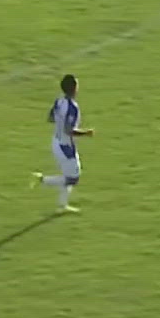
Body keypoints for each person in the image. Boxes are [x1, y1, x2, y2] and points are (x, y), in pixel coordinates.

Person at [32, 73, 93, 214]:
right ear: (74, 88)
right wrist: (86, 133)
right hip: (65, 147)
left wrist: (60, 119)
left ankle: (62, 205)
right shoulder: (72, 107)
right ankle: (42, 180)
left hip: (56, 141)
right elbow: (69, 130)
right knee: (73, 178)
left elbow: (50, 118)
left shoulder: (59, 101)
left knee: (69, 174)